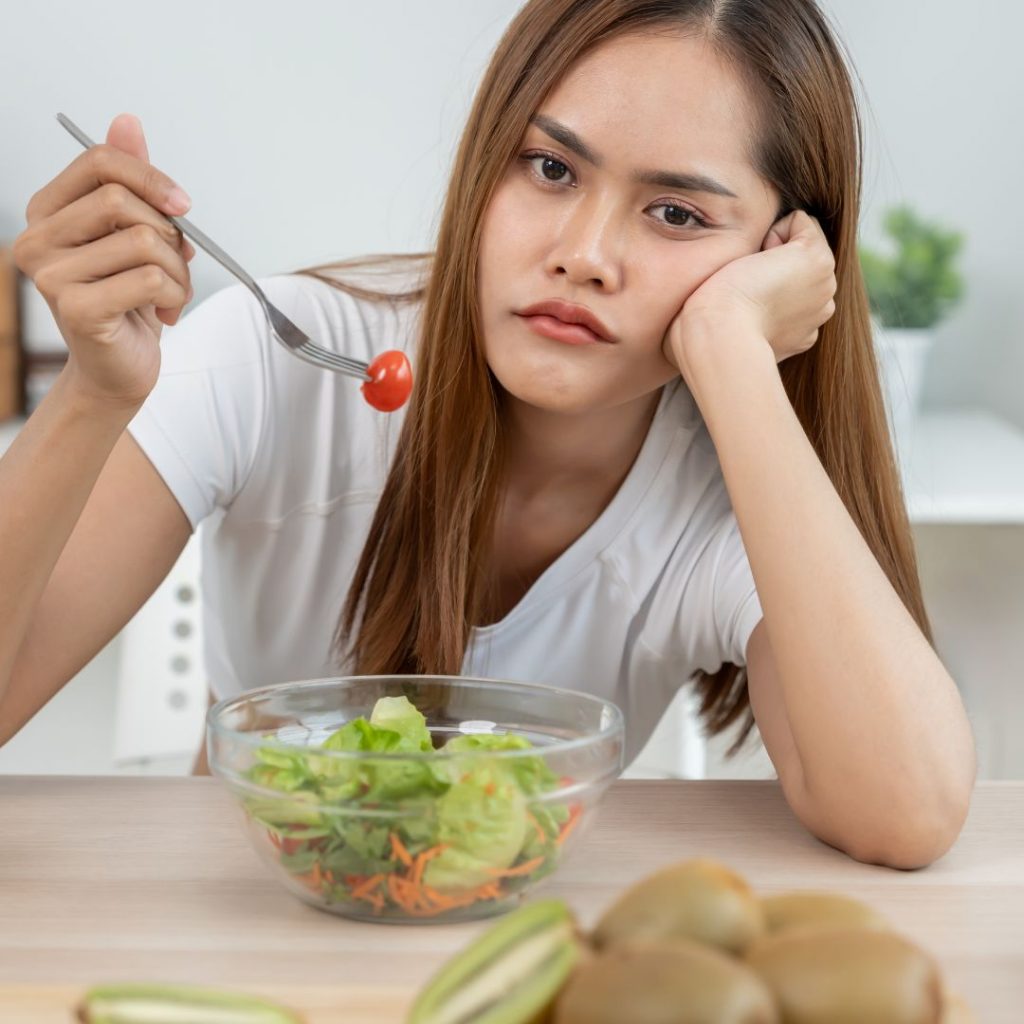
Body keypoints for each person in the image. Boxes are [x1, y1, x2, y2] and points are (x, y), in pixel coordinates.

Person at [1, 0, 975, 868]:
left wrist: (733, 356)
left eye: (675, 213)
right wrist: (94, 397)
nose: (582, 255)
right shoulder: (273, 358)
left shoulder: (728, 490)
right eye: (549, 167)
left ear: (778, 258)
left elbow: (907, 812)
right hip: (256, 925)